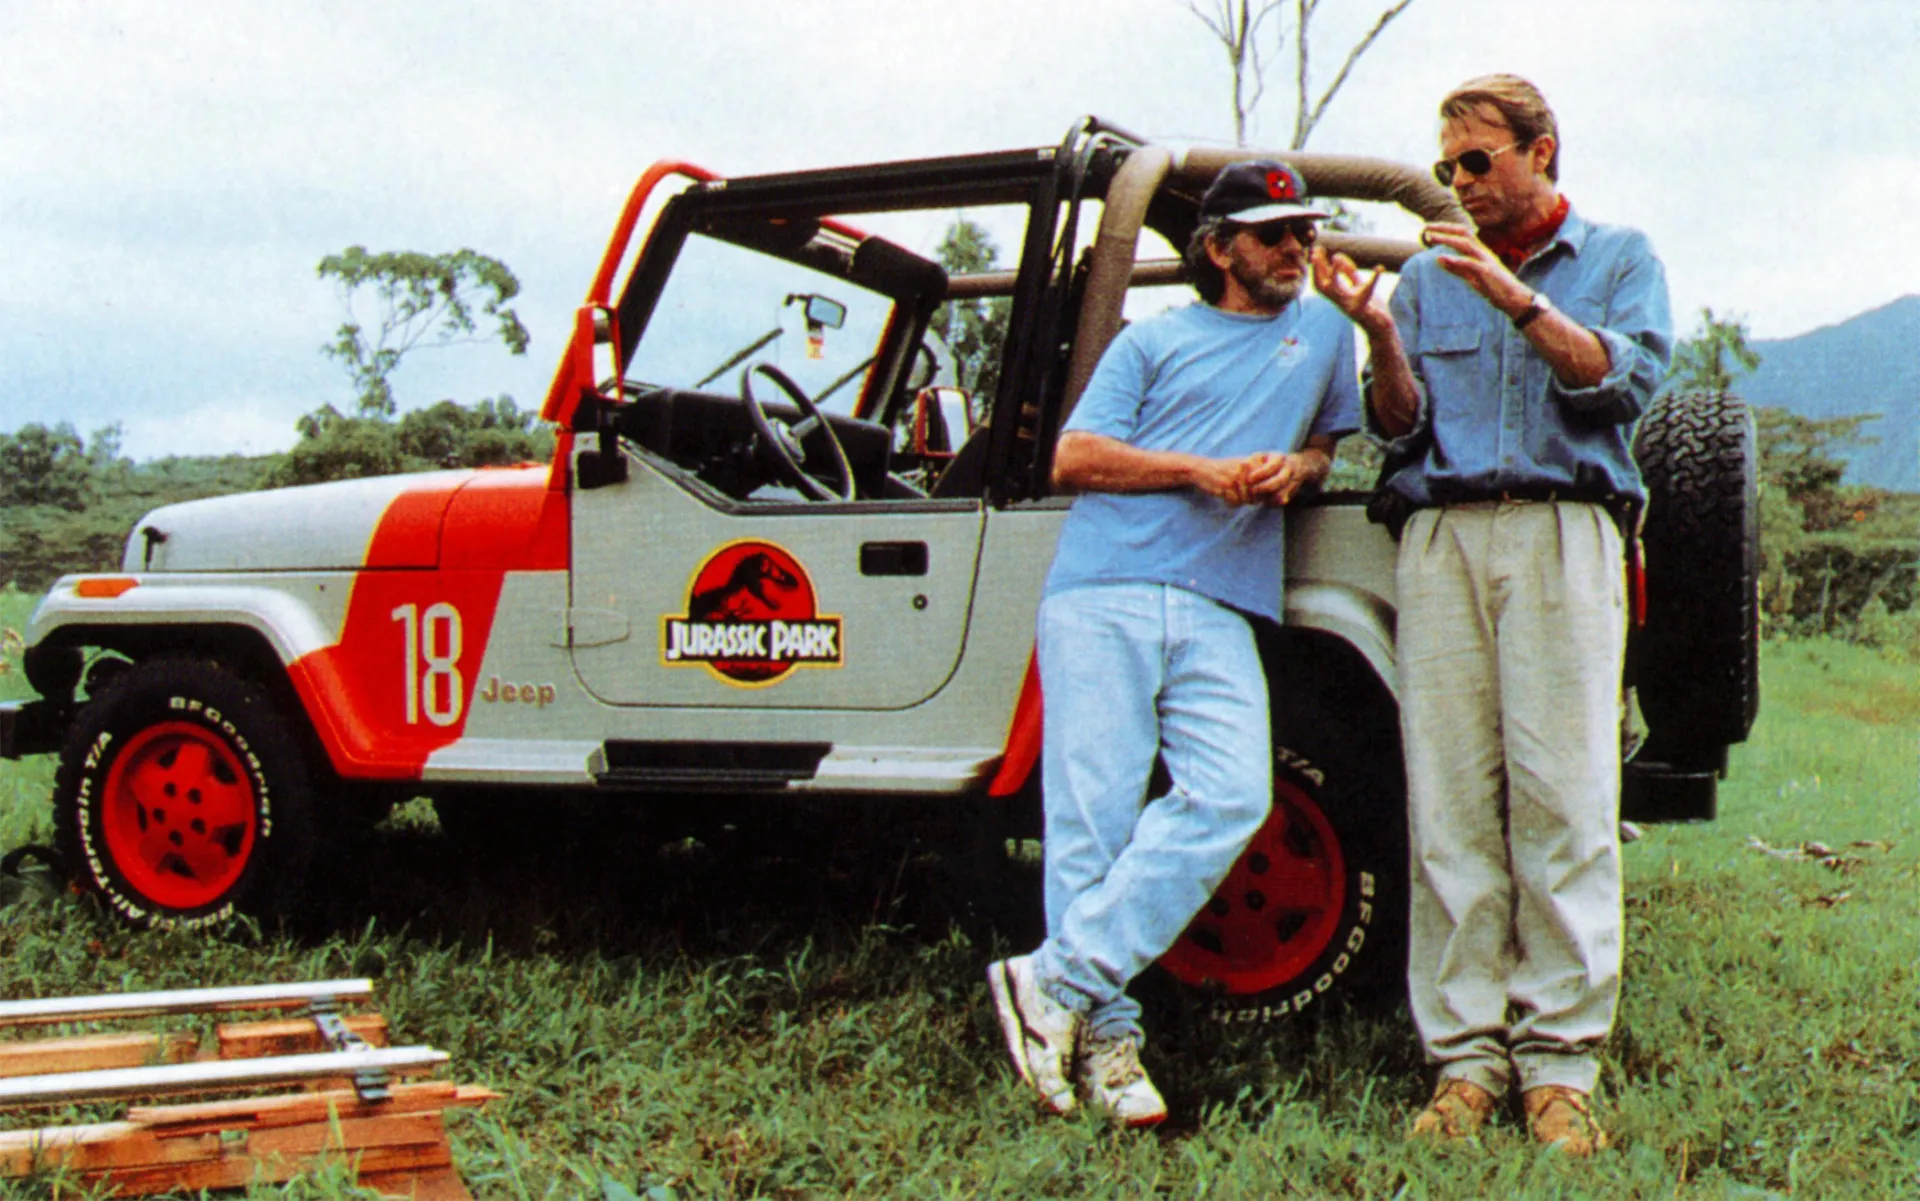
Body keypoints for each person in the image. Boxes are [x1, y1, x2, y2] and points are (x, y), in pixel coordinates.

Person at [1313, 74, 1672, 1155]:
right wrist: (1381, 334)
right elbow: (1398, 425)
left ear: (1541, 150)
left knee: (1565, 795)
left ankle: (1559, 1063)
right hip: (1442, 536)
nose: (1460, 182)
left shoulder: (1619, 258)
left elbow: (1622, 386)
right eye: (1448, 166)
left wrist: (1515, 299)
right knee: (1451, 800)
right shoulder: (1425, 277)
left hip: (1564, 530)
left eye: (1478, 160)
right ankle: (1464, 1058)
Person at [987, 160, 1367, 1127]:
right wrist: (1200, 471)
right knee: (1095, 824)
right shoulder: (1151, 340)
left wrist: (1300, 468)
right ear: (1220, 248)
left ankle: (1051, 982)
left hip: (1221, 601)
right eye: (1274, 233)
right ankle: (1107, 1047)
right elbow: (1075, 456)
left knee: (1232, 795)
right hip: (1103, 591)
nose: (1298, 247)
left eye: (1306, 230)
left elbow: (1329, 446)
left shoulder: (1328, 332)